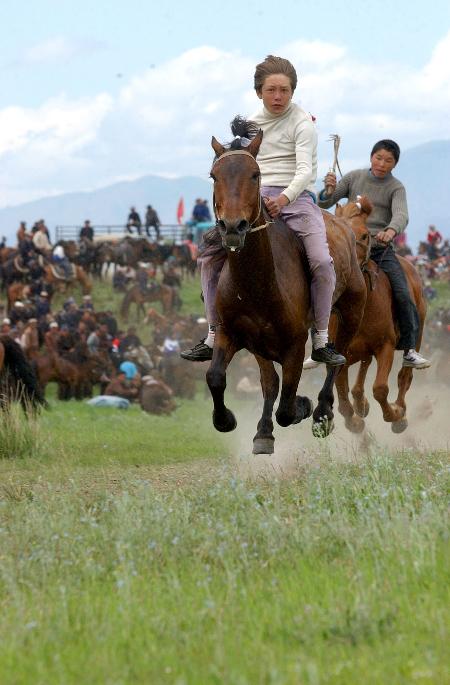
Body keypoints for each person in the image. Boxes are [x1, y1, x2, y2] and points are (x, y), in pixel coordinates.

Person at [181, 54, 344, 365]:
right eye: (271, 90)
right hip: (255, 198)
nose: (278, 96)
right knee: (208, 258)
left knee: (322, 261)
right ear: (259, 92)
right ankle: (214, 332)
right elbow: (239, 165)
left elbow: (304, 171)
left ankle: (321, 337)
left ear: (293, 91)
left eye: (284, 90)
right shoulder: (252, 126)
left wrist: (283, 199)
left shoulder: (302, 124)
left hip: (296, 200)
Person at [313, 139, 430, 369]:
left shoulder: (396, 188)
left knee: (404, 294)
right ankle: (319, 345)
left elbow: (401, 214)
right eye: (379, 158)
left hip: (379, 250)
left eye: (388, 160)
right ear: (371, 157)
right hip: (348, 249)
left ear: (394, 164)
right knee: (320, 286)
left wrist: (390, 230)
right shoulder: (354, 177)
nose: (382, 163)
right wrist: (327, 190)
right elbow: (325, 202)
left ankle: (408, 349)